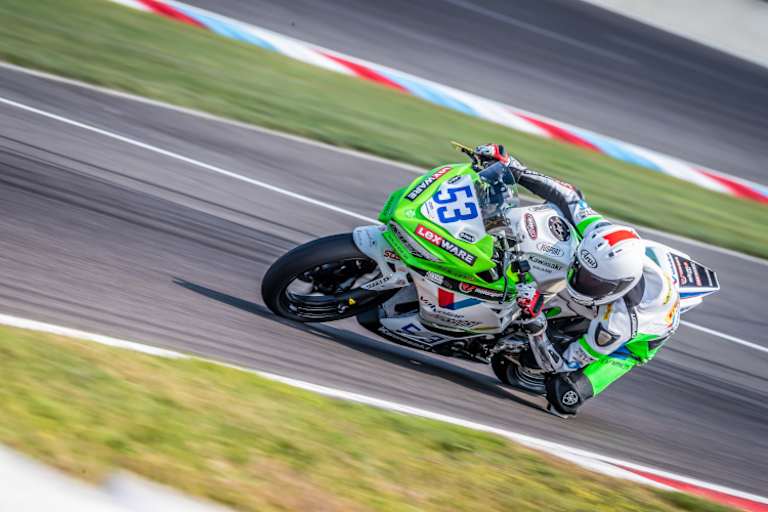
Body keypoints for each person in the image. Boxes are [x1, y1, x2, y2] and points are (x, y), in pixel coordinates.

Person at [474, 144, 681, 416]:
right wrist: (516, 169)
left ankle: (605, 366)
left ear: (618, 286)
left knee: (564, 396)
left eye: (593, 281)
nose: (582, 280)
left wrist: (535, 323)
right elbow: (569, 197)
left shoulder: (617, 323)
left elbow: (562, 364)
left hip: (636, 337)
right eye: (582, 270)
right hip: (641, 276)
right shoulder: (601, 234)